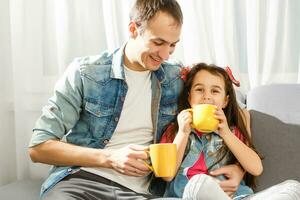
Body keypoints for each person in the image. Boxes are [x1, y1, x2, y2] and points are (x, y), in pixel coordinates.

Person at [28, 1, 247, 199]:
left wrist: (239, 168)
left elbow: (239, 111)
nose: (165, 55)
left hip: (142, 192)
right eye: (158, 42)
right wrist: (110, 158)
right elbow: (38, 148)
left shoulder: (175, 77)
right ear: (133, 29)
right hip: (80, 182)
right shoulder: (86, 73)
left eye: (173, 45)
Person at [159, 63, 300, 200]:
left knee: (293, 188)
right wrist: (183, 133)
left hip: (237, 196)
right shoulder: (175, 130)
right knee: (199, 183)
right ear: (190, 97)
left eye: (215, 91)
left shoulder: (231, 131)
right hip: (193, 193)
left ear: (225, 101)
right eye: (199, 89)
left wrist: (226, 133)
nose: (207, 96)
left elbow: (256, 169)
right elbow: (167, 175)